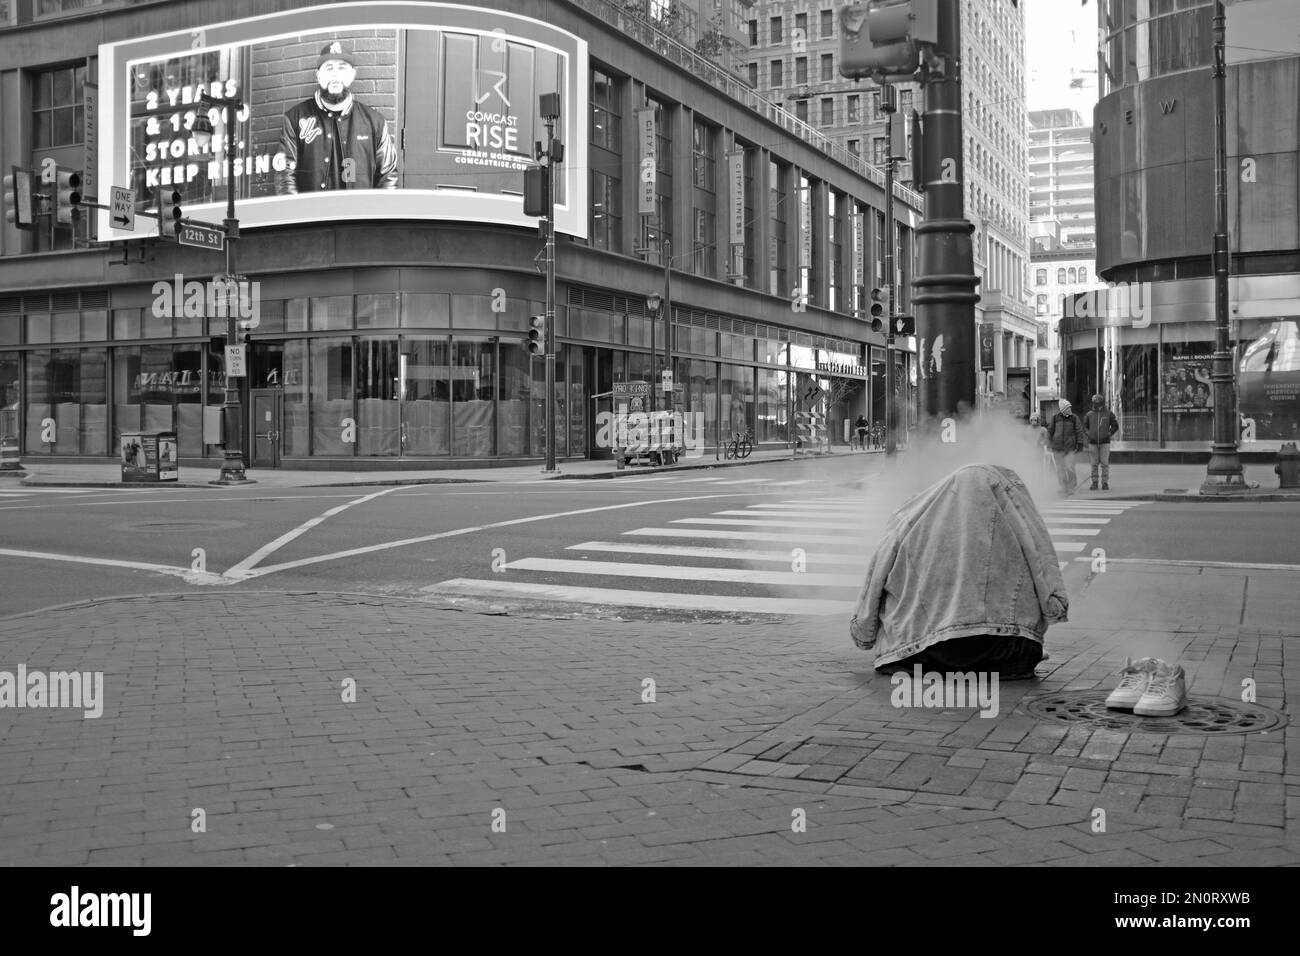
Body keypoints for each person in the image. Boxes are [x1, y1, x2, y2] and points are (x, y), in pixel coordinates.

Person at [849, 463, 1069, 681]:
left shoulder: (913, 516)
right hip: (1009, 652)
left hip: (923, 652)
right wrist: (1052, 609)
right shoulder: (1010, 501)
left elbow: (874, 582)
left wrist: (864, 632)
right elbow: (1044, 563)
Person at [276, 41, 399, 195]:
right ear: (318, 75)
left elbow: (388, 176)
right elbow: (285, 175)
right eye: (329, 68)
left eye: (342, 67)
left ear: (352, 75)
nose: (335, 74)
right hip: (312, 215)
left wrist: (375, 217)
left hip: (360, 216)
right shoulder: (294, 119)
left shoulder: (375, 122)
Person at [1047, 400, 1086, 495]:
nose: (1070, 409)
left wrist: (1080, 444)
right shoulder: (1055, 418)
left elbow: (1079, 431)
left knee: (1070, 467)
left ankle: (1071, 486)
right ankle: (1063, 487)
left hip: (1069, 448)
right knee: (1060, 469)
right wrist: (1049, 444)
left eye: (1070, 407)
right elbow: (1050, 431)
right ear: (1063, 409)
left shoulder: (1074, 418)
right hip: (1057, 448)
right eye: (1068, 408)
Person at [1083, 393, 1119, 490]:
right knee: (1094, 464)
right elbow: (1085, 427)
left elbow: (1115, 426)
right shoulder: (1089, 414)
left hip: (1105, 442)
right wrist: (1088, 434)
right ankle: (1094, 483)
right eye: (1096, 402)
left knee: (1104, 463)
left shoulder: (1108, 413)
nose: (1097, 404)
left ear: (1102, 402)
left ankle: (1105, 483)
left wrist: (1109, 434)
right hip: (1093, 442)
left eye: (1099, 402)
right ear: (1093, 403)